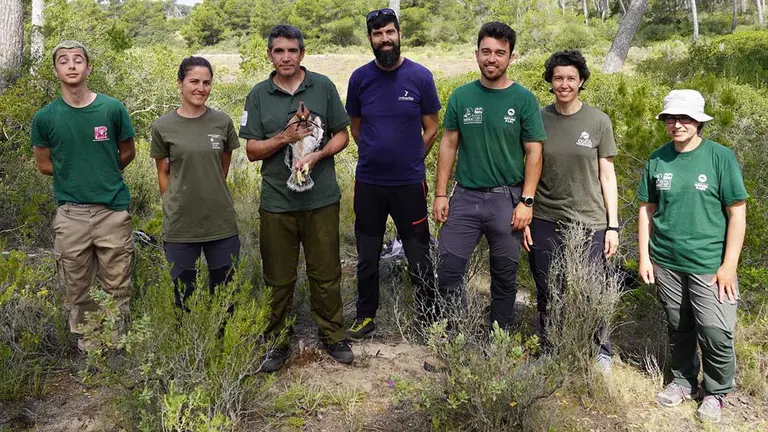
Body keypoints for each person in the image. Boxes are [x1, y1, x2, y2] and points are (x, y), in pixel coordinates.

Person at [239, 25, 353, 372]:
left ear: (302, 53)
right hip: (277, 202)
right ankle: (276, 342)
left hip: (320, 199)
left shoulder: (323, 87)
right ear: (269, 55)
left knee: (326, 272)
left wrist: (317, 155)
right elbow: (252, 151)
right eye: (278, 51)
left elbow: (342, 135)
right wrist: (285, 138)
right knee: (278, 276)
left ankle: (333, 335)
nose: (285, 57)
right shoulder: (259, 95)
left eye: (292, 50)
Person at [636, 89, 748, 423]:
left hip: (709, 263)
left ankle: (717, 392)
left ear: (699, 121)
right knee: (678, 326)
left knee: (715, 331)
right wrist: (645, 256)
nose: (677, 124)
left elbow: (737, 214)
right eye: (671, 118)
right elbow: (646, 210)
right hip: (667, 260)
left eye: (684, 118)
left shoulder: (719, 157)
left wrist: (729, 266)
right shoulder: (657, 159)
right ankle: (684, 381)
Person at [432, 22, 547, 330]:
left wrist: (527, 200)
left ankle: (499, 339)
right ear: (476, 54)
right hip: (465, 198)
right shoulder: (461, 96)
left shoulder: (523, 99)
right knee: (448, 269)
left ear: (511, 57)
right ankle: (457, 333)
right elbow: (448, 144)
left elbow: (535, 152)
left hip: (506, 200)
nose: (492, 59)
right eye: (486, 52)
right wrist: (441, 193)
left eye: (500, 53)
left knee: (504, 277)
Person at [31, 41, 136, 351]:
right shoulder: (45, 117)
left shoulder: (111, 108)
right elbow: (44, 163)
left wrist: (102, 172)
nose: (72, 65)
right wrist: (75, 175)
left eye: (78, 59)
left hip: (112, 211)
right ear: (56, 71)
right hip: (71, 215)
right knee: (78, 287)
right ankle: (89, 348)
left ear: (89, 68)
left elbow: (128, 151)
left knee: (117, 284)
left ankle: (116, 345)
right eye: (64, 61)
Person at [345, 8, 441, 339]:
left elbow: (432, 126)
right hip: (369, 183)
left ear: (399, 34)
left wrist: (412, 157)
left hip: (409, 184)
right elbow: (356, 128)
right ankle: (365, 316)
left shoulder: (420, 77)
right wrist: (376, 152)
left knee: (419, 255)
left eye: (390, 32)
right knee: (367, 256)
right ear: (370, 39)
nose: (385, 39)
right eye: (377, 34)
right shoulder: (359, 78)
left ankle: (429, 319)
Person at [523, 50, 618, 371]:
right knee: (548, 287)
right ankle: (551, 348)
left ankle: (601, 350)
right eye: (558, 78)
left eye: (571, 79)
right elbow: (528, 168)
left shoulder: (598, 121)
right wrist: (525, 214)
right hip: (544, 218)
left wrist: (613, 226)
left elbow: (607, 174)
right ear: (550, 81)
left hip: (590, 220)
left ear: (581, 82)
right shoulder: (537, 118)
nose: (564, 84)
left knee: (593, 288)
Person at [150, 57, 240, 309]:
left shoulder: (221, 122)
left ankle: (224, 346)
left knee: (225, 296)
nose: (201, 88)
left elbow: (222, 167)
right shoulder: (163, 126)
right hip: (181, 225)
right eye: (194, 81)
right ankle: (187, 346)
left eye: (207, 82)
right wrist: (172, 203)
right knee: (183, 295)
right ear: (180, 83)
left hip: (220, 222)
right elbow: (163, 173)